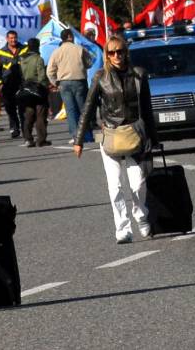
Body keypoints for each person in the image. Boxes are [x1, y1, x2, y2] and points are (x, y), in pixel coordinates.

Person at [75, 34, 158, 243]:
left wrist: (153, 138)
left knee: (138, 183)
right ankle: (122, 229)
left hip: (135, 134)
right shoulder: (100, 77)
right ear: (107, 55)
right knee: (115, 186)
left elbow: (147, 109)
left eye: (120, 51)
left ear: (126, 52)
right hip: (111, 135)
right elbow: (87, 108)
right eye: (111, 52)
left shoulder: (139, 75)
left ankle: (142, 217)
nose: (116, 55)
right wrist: (79, 140)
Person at [47, 28, 93, 144]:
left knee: (70, 110)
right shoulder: (80, 49)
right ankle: (87, 135)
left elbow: (49, 71)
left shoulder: (56, 52)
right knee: (83, 109)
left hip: (64, 83)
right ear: (70, 37)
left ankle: (75, 136)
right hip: (79, 81)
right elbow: (89, 63)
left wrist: (55, 82)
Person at [17, 38, 51, 147]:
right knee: (40, 114)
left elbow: (20, 75)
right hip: (37, 88)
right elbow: (41, 76)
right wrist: (46, 87)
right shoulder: (38, 59)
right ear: (37, 46)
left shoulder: (22, 59)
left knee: (28, 114)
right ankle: (41, 139)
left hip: (26, 88)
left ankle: (28, 138)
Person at [0, 31, 24, 140]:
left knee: (23, 107)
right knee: (10, 108)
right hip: (7, 85)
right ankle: (14, 129)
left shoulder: (24, 49)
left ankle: (25, 128)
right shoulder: (1, 52)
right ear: (7, 39)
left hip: (21, 83)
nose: (13, 40)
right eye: (11, 38)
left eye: (15, 38)